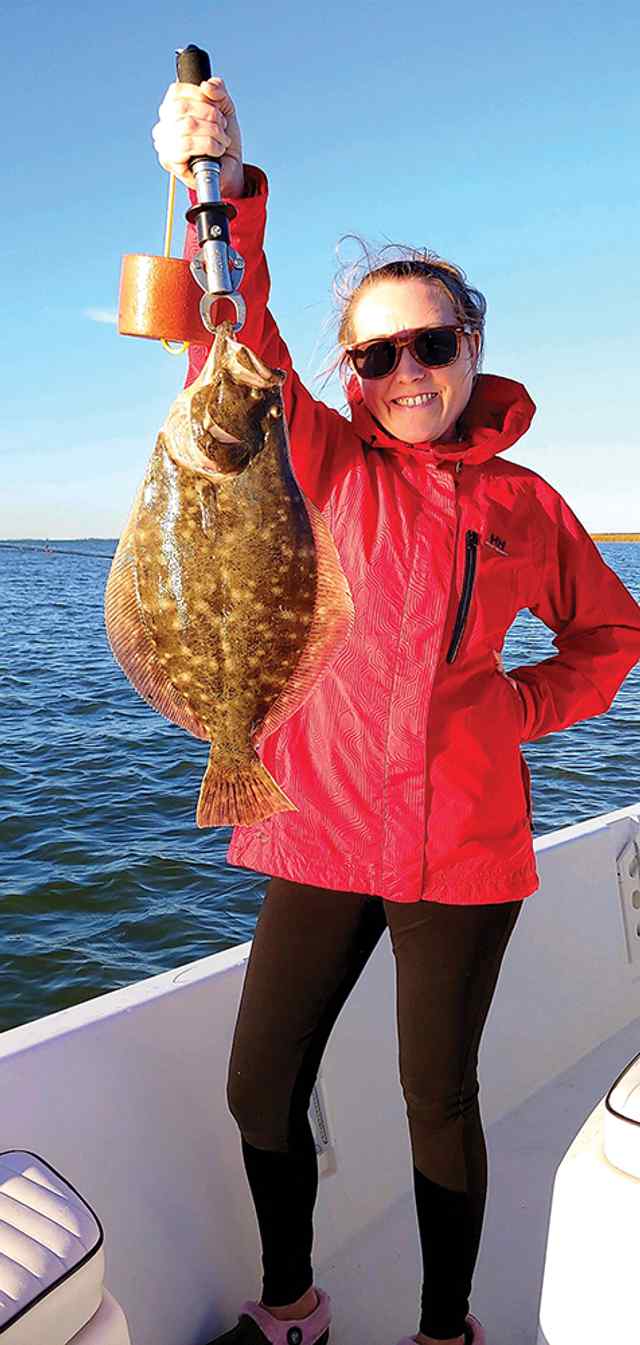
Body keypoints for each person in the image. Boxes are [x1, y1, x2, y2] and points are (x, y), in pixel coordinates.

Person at [151, 77, 640, 1345]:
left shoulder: (528, 507)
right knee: (261, 1084)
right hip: (315, 818)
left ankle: (441, 1326)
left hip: (462, 846)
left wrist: (507, 711)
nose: (407, 371)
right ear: (351, 374)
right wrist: (216, 183)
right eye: (377, 354)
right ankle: (291, 1300)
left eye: (431, 344)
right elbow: (232, 336)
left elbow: (610, 635)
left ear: (471, 343)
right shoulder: (318, 455)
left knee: (441, 1101)